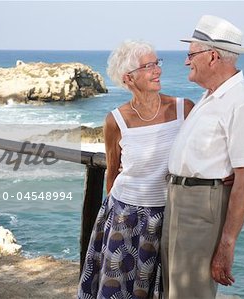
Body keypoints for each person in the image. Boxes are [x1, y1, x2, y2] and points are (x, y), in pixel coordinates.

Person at [161, 15, 244, 299]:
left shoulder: (243, 103)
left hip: (200, 208)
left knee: (189, 293)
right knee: (173, 290)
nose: (186, 62)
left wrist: (226, 245)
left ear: (211, 57)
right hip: (179, 201)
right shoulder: (212, 96)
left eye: (190, 54)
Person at [77, 40, 194, 298]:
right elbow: (112, 172)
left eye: (157, 63)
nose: (158, 70)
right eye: (148, 66)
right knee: (118, 289)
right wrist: (112, 216)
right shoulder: (115, 120)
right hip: (124, 216)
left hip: (168, 216)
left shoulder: (183, 109)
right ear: (129, 78)